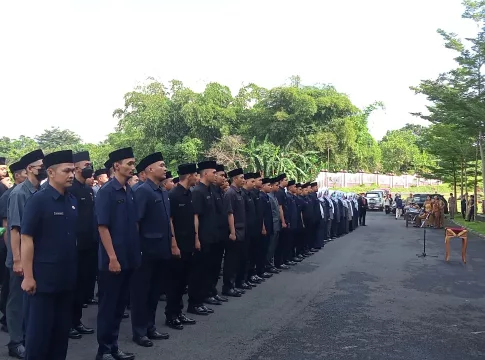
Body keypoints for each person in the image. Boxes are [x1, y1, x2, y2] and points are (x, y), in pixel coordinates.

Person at [20, 150, 77, 360]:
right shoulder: (39, 200)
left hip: (66, 279)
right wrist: (28, 276)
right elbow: (26, 238)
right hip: (43, 282)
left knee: (60, 337)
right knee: (38, 338)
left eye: (73, 170)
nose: (71, 174)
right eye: (67, 171)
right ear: (51, 172)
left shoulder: (71, 200)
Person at [95, 147, 140, 360]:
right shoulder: (106, 191)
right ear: (116, 166)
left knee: (120, 306)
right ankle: (104, 350)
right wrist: (112, 257)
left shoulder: (128, 190)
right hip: (113, 260)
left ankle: (113, 347)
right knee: (108, 306)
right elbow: (102, 227)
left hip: (128, 257)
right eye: (129, 163)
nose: (133, 167)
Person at [6, 149, 45, 359]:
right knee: (17, 301)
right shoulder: (19, 193)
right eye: (41, 165)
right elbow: (15, 229)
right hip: (19, 257)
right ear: (30, 168)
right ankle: (15, 342)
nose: (44, 169)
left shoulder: (40, 190)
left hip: (35, 255)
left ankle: (29, 337)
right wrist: (18, 260)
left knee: (30, 299)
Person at [130, 152, 170, 347]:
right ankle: (139, 331)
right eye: (161, 165)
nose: (165, 168)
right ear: (149, 170)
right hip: (145, 251)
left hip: (160, 250)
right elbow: (135, 222)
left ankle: (150, 326)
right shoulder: (142, 191)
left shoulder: (162, 191)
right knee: (141, 293)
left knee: (154, 292)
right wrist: (136, 250)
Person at [166, 163, 202, 328]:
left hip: (189, 243)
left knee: (183, 281)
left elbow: (193, 218)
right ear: (189, 176)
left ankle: (179, 312)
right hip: (178, 245)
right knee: (174, 281)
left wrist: (196, 239)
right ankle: (171, 315)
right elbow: (170, 221)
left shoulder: (189, 194)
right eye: (196, 175)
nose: (197, 178)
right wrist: (174, 244)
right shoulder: (174, 195)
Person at [68, 151, 96, 340]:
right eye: (87, 165)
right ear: (76, 167)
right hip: (74, 246)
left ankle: (76, 321)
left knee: (83, 287)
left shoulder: (87, 189)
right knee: (72, 286)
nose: (90, 168)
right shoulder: (70, 190)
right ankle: (67, 323)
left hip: (89, 244)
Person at [192, 161, 225, 307]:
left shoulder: (212, 190)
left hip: (214, 236)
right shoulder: (198, 191)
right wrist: (197, 237)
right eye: (213, 172)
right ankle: (201, 297)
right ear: (205, 173)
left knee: (213, 267)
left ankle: (211, 292)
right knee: (202, 269)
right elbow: (196, 217)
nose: (215, 175)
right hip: (204, 237)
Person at [0, 160, 27, 334]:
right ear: (18, 175)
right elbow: (7, 226)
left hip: (24, 249)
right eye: (25, 172)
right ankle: (10, 325)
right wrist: (12, 253)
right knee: (11, 290)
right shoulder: (10, 195)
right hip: (10, 247)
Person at [221, 168, 246, 297]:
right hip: (234, 230)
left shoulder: (239, 192)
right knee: (231, 260)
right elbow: (229, 213)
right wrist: (232, 232)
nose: (243, 180)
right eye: (241, 177)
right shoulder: (230, 193)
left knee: (237, 259)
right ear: (234, 178)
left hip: (241, 230)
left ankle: (234, 284)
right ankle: (228, 286)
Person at [266, 178, 281, 273]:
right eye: (276, 185)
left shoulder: (274, 197)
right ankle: (268, 265)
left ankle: (270, 263)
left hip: (276, 224)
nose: (278, 187)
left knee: (273, 245)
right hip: (272, 225)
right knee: (270, 246)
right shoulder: (269, 197)